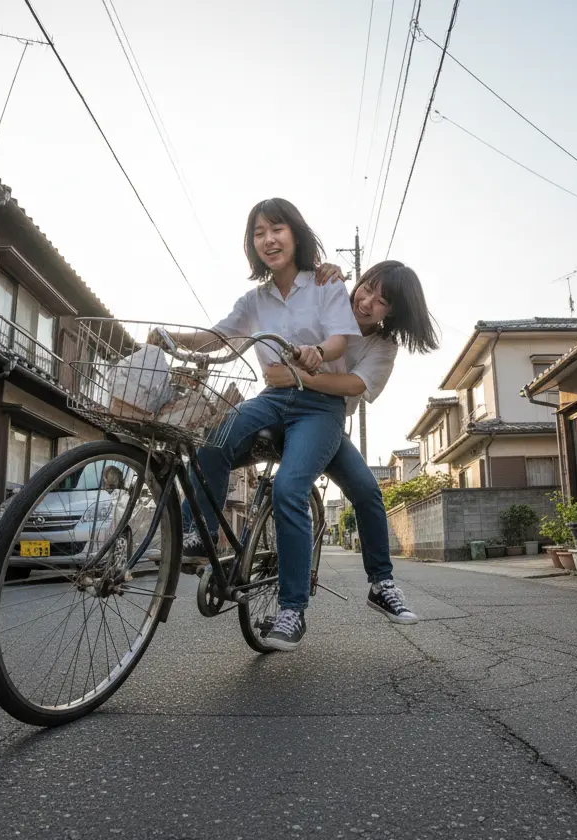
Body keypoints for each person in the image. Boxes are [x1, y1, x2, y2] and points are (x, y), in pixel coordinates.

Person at [171, 198, 361, 651]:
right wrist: (173, 336)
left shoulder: (326, 284)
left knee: (289, 488)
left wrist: (319, 352)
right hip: (273, 397)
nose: (268, 239)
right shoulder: (255, 299)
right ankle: (199, 534)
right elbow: (219, 335)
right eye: (259, 233)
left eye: (276, 229)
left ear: (295, 234)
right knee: (210, 437)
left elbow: (339, 337)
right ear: (252, 245)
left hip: (319, 404)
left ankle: (292, 609)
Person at [262, 260, 439, 625]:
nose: (367, 301)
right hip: (280, 402)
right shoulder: (331, 295)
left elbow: (353, 387)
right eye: (368, 288)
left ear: (394, 313)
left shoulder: (383, 347)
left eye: (382, 300)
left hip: (325, 422)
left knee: (367, 492)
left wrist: (299, 376)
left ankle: (381, 583)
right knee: (219, 443)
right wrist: (322, 269)